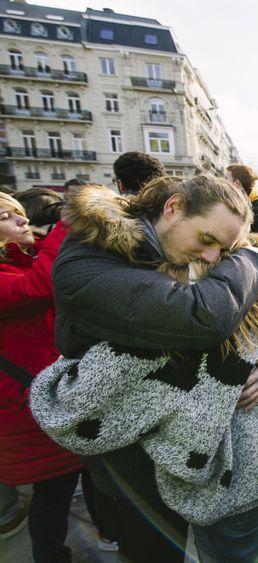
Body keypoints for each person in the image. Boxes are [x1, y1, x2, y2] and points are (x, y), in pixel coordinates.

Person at [51, 175, 258, 562]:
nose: (213, 257)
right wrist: (250, 257)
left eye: (225, 249)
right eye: (208, 239)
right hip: (134, 472)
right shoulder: (87, 262)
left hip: (221, 459)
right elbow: (202, 317)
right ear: (173, 207)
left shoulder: (192, 256)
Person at [0, 193, 82, 562]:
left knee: (63, 482)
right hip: (25, 403)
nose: (21, 221)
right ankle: (51, 556)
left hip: (40, 394)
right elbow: (39, 287)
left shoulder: (19, 261)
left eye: (20, 214)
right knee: (53, 489)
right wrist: (67, 222)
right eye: (7, 216)